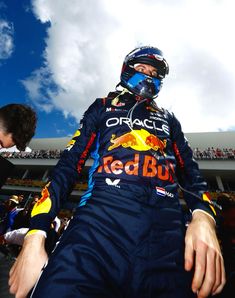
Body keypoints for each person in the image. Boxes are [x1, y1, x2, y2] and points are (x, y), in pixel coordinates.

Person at [9, 46, 225, 298]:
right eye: (142, 69)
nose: (148, 76)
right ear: (126, 70)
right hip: (96, 230)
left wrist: (204, 217)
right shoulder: (101, 106)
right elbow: (67, 167)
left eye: (155, 73)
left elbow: (191, 173)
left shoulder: (169, 119)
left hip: (166, 240)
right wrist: (35, 235)